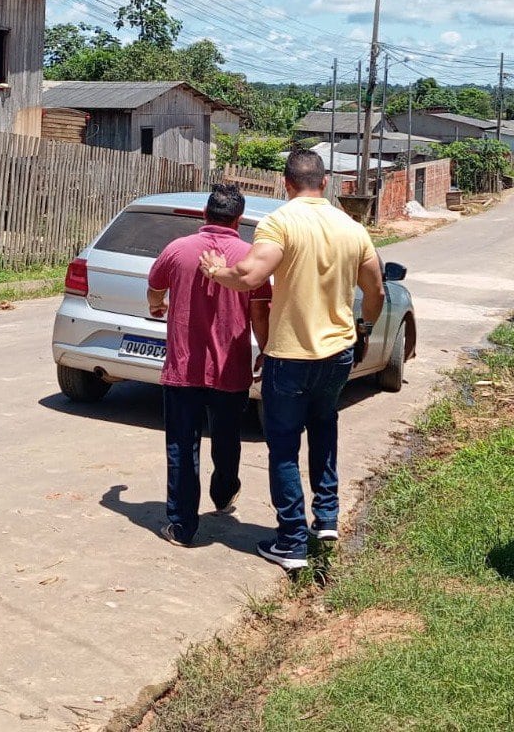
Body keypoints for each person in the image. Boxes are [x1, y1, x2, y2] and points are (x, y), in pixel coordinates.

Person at [200, 150, 384, 572]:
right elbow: (375, 290)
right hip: (337, 352)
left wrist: (216, 272)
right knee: (324, 429)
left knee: (284, 447)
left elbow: (248, 276)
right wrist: (365, 328)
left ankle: (291, 541)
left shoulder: (279, 223)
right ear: (325, 182)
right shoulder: (353, 228)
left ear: (286, 183)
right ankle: (327, 518)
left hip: (290, 355)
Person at [146, 184, 271, 547]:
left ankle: (182, 527)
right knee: (227, 438)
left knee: (181, 447)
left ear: (205, 214)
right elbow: (260, 313)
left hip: (183, 369)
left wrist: (156, 304)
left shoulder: (178, 249)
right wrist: (266, 350)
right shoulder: (249, 258)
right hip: (230, 369)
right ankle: (224, 492)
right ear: (238, 219)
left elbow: (155, 286)